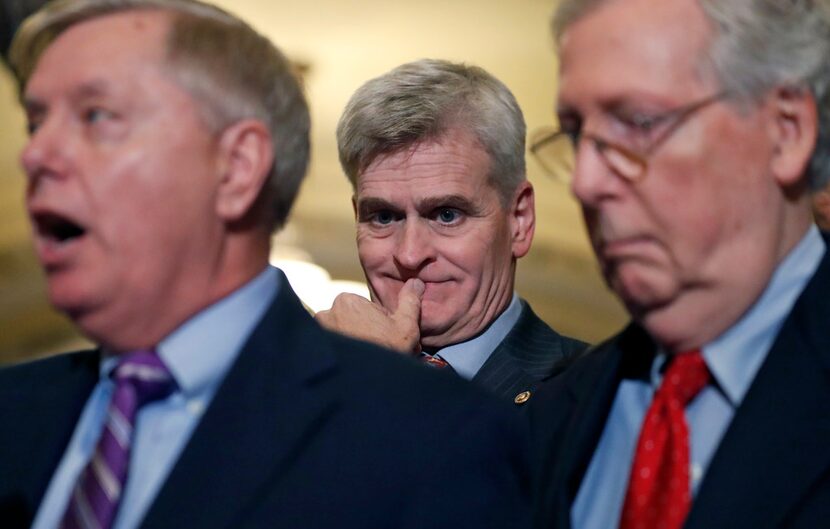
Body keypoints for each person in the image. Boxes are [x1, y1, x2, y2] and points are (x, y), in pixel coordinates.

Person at [0, 2, 532, 528]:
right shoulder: (12, 413)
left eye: (96, 116)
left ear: (237, 167)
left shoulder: (436, 427)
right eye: (36, 122)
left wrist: (373, 400)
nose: (36, 154)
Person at [528, 1, 830, 529]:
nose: (585, 183)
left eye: (638, 123)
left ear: (786, 131)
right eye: (577, 136)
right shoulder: (553, 415)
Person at [316, 59, 586, 405]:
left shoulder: (591, 394)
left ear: (519, 220)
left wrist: (379, 385)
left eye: (446, 215)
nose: (410, 255)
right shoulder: (290, 387)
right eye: (383, 217)